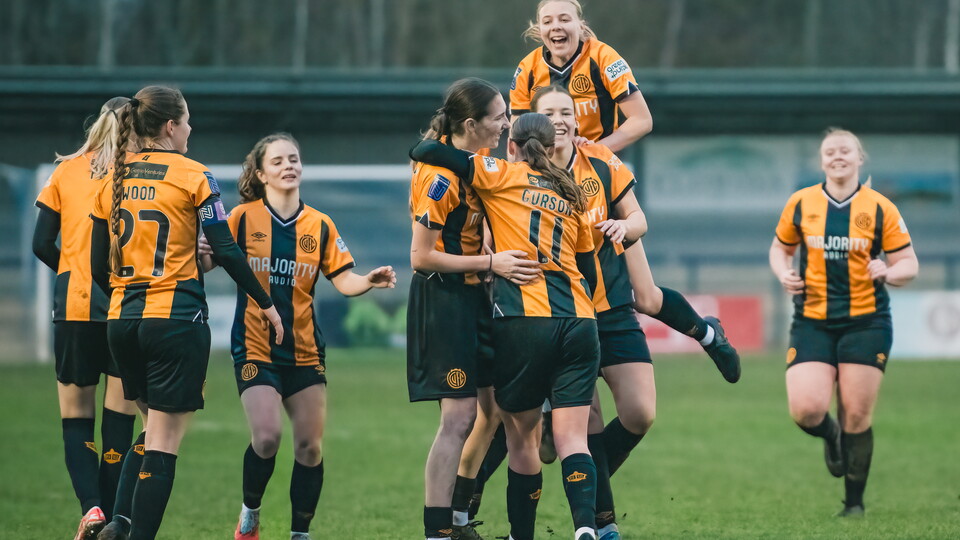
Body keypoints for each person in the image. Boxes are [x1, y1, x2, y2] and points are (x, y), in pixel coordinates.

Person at [90, 85, 283, 540]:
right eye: (188, 120)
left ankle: (119, 525)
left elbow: (99, 265)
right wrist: (267, 303)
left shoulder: (111, 177)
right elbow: (228, 251)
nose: (191, 128)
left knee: (150, 428)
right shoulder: (195, 175)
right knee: (164, 444)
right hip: (175, 321)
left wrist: (127, 296)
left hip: (122, 321)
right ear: (171, 126)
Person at [412, 111, 602, 540]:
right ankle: (587, 528)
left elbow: (425, 152)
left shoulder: (500, 173)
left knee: (523, 439)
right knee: (573, 439)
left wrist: (447, 124)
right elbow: (589, 271)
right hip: (580, 321)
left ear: (513, 146)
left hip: (524, 321)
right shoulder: (572, 193)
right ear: (553, 147)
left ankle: (521, 537)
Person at [197, 133, 396, 540]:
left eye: (294, 159)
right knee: (267, 438)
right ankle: (249, 514)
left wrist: (369, 281)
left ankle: (299, 534)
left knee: (309, 448)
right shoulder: (241, 218)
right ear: (261, 173)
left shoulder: (320, 225)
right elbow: (207, 264)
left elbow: (343, 281)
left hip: (305, 352)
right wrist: (201, 251)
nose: (289, 166)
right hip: (254, 346)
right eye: (278, 161)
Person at [408, 78, 540, 540]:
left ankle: (460, 520)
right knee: (459, 418)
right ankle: (436, 532)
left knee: (496, 410)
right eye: (498, 116)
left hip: (478, 295)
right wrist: (491, 261)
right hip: (444, 299)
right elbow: (420, 256)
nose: (506, 122)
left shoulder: (483, 161)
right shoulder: (440, 177)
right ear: (470, 124)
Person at [769, 128, 918, 517]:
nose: (837, 156)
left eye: (845, 150)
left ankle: (854, 505)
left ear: (859, 159)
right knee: (807, 410)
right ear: (821, 161)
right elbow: (779, 249)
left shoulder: (880, 207)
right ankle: (829, 434)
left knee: (856, 413)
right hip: (812, 321)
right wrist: (783, 272)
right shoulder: (800, 203)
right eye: (830, 151)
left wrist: (887, 270)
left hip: (867, 323)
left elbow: (910, 265)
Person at [33, 97, 140, 540]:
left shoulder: (67, 170)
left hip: (75, 306)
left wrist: (72, 270)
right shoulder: (145, 173)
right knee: (120, 420)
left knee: (76, 419)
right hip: (125, 306)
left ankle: (91, 512)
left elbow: (42, 243)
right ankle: (114, 520)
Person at [509, 0, 652, 152]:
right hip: (546, 167)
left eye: (564, 19)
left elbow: (642, 120)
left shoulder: (603, 58)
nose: (556, 26)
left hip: (598, 163)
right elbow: (517, 136)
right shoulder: (527, 68)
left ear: (581, 25)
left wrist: (590, 153)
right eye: (547, 21)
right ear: (540, 29)